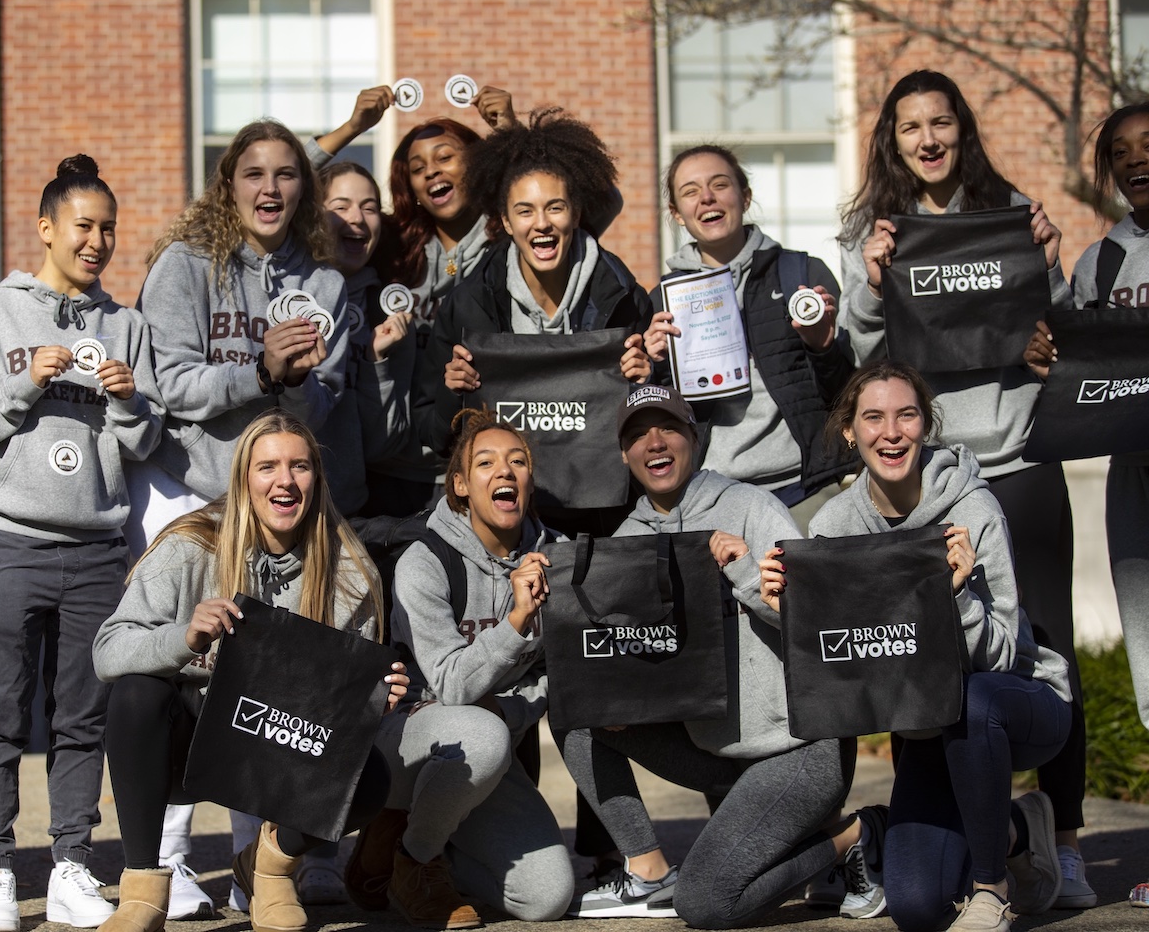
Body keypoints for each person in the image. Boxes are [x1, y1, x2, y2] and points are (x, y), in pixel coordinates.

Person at [838, 71, 1090, 909]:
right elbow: (860, 354)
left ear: (962, 130)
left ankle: (1071, 835)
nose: (928, 139)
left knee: (1045, 649)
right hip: (926, 474)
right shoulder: (868, 230)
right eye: (910, 127)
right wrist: (873, 283)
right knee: (917, 650)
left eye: (941, 122)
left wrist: (1049, 264)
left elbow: (1052, 330)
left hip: (1017, 459)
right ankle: (941, 822)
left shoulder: (1013, 208)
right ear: (892, 140)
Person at [0, 156, 163, 932]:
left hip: (96, 546)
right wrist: (23, 381)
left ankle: (71, 865)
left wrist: (131, 405)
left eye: (108, 229)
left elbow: (141, 441)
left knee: (82, 716)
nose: (97, 241)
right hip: (5, 540)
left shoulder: (125, 324)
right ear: (45, 228)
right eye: (83, 227)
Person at [761, 361, 1072, 932]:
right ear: (849, 432)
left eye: (907, 415)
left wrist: (954, 597)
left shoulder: (971, 508)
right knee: (916, 906)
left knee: (974, 699)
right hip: (932, 728)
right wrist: (794, 616)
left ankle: (991, 890)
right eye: (873, 418)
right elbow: (847, 662)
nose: (892, 432)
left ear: (927, 425)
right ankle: (1020, 830)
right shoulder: (835, 525)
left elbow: (1002, 654)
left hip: (1018, 703)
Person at [558, 384, 870, 928]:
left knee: (706, 903)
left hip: (795, 747)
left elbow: (813, 623)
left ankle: (853, 834)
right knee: (576, 713)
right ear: (624, 453)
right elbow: (638, 658)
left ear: (694, 439)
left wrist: (746, 573)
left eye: (668, 428)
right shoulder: (629, 538)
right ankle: (648, 870)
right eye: (637, 434)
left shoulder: (751, 507)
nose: (654, 442)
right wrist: (614, 693)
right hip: (716, 755)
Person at [91, 409, 407, 932]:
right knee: (135, 695)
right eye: (268, 467)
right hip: (192, 741)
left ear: (317, 479)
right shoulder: (191, 546)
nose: (284, 480)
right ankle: (143, 890)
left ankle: (271, 866)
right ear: (243, 480)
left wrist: (375, 700)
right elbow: (108, 651)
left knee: (371, 778)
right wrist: (184, 638)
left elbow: (346, 711)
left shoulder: (351, 571)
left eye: (300, 466)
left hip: (280, 743)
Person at [343, 408, 575, 928]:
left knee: (548, 898)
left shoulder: (556, 557)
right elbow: (449, 684)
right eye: (486, 462)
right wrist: (516, 621)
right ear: (461, 486)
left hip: (486, 742)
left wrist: (513, 708)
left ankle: (417, 838)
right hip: (408, 739)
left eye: (518, 461)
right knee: (483, 731)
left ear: (530, 481)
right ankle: (413, 859)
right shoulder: (424, 560)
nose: (505, 472)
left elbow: (563, 672)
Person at [1025, 100, 1149, 906]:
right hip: (1135, 490)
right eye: (1124, 152)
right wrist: (1047, 352)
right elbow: (1079, 375)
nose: (1138, 159)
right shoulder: (1100, 267)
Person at [424, 107, 655, 535]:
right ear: (506, 221)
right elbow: (438, 437)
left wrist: (647, 383)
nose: (542, 224)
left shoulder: (624, 299)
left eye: (555, 207)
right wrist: (450, 392)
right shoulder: (467, 305)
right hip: (503, 530)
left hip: (604, 524)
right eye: (525, 211)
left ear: (577, 212)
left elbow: (657, 432)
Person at [130, 119, 348, 552]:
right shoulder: (185, 264)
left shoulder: (325, 284)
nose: (270, 188)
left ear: (302, 188)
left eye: (285, 175)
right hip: (180, 484)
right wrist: (261, 375)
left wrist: (297, 382)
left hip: (277, 498)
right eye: (254, 175)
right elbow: (170, 384)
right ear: (230, 186)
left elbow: (319, 415)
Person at [307, 86, 518, 515]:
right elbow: (280, 187)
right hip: (391, 474)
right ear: (411, 188)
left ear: (478, 164)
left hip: (483, 473)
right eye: (418, 167)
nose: (432, 171)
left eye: (445, 157)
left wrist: (513, 134)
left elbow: (595, 202)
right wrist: (352, 128)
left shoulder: (515, 241)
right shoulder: (393, 249)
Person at [657, 145, 856, 521]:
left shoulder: (802, 274)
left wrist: (823, 346)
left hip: (808, 493)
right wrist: (651, 368)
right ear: (677, 214)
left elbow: (851, 394)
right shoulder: (662, 300)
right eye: (690, 191)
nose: (707, 198)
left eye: (720, 184)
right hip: (711, 501)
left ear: (745, 196)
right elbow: (660, 419)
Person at [315, 161, 415, 517]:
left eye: (369, 207)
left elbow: (382, 446)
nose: (356, 217)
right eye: (340, 206)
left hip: (344, 513)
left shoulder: (389, 315)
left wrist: (376, 363)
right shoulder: (282, 294)